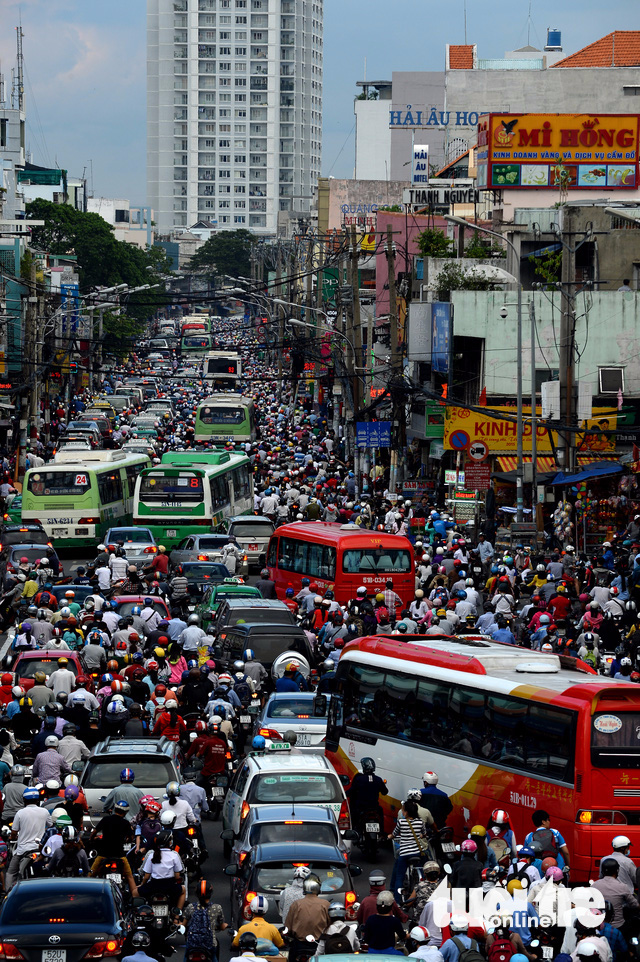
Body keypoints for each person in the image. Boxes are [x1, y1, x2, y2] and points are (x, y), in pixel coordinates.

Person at [5, 787, 52, 888]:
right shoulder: (44, 812)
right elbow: (50, 826)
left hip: (23, 850)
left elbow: (14, 832)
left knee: (10, 873)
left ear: (24, 800)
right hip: (40, 849)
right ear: (37, 799)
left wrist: (12, 838)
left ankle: (7, 893)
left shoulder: (20, 813)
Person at [138, 830, 185, 915]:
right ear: (169, 842)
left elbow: (146, 876)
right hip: (169, 887)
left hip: (154, 886)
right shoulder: (174, 855)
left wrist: (142, 885)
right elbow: (177, 876)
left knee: (134, 892)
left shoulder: (151, 855)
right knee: (183, 890)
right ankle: (177, 916)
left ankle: (141, 914)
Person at [389, 798, 428, 901]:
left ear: (406, 812)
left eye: (403, 810)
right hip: (417, 852)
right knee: (421, 871)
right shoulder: (420, 822)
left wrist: (390, 836)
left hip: (404, 854)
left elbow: (394, 834)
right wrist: (421, 835)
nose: (402, 812)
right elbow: (424, 833)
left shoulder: (401, 822)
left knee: (399, 878)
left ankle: (397, 901)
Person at [285, 877, 330, 962]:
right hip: (319, 945)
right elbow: (330, 926)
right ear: (318, 889)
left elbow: (288, 927)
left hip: (299, 945)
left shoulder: (296, 904)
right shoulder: (325, 904)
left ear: (304, 889)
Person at [184, 880, 228, 962]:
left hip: (192, 944)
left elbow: (183, 924)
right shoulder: (217, 908)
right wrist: (225, 925)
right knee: (214, 956)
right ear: (210, 893)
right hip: (210, 944)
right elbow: (222, 926)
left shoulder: (190, 907)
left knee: (186, 957)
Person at [346, 757, 388, 835]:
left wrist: (343, 794)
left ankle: (356, 832)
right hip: (374, 807)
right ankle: (381, 831)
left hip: (362, 807)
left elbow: (351, 791)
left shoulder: (359, 779)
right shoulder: (378, 779)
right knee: (380, 812)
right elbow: (385, 792)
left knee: (354, 815)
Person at [591, 859, 639, 927]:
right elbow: (635, 905)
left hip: (598, 925)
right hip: (618, 925)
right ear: (617, 871)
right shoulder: (622, 887)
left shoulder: (594, 885)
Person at [362, 890, 407, 955]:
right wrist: (410, 935)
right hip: (390, 952)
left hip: (372, 952)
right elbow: (403, 936)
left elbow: (366, 938)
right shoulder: (394, 920)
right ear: (391, 906)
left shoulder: (370, 919)